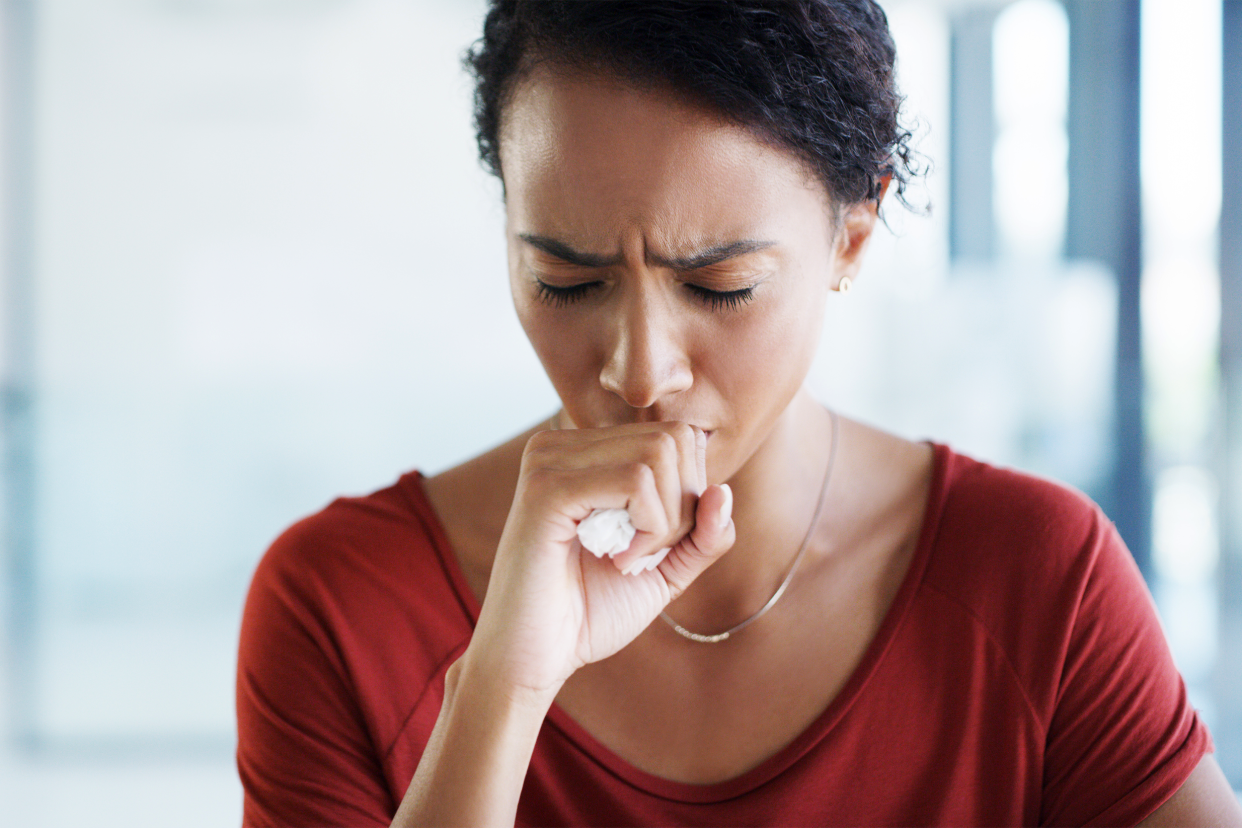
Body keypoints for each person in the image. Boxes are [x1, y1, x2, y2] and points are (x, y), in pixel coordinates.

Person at [235, 1, 1242, 826]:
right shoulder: (339, 605)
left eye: (720, 287)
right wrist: (499, 691)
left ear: (852, 238)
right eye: (566, 281)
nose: (639, 372)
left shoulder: (1038, 584)